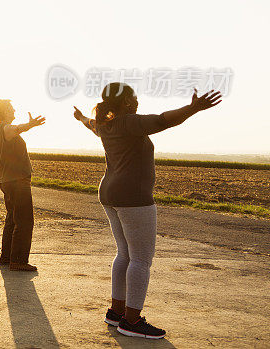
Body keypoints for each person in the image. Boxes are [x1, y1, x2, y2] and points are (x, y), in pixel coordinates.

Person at [74, 82, 221, 339]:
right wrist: (193, 108)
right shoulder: (129, 122)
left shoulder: (104, 124)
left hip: (109, 193)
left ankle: (116, 312)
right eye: (134, 97)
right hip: (133, 197)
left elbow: (90, 124)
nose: (138, 101)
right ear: (127, 102)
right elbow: (164, 120)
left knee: (124, 254)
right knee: (140, 259)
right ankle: (131, 321)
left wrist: (80, 118)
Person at [0, 100, 45, 271]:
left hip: (7, 181)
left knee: (12, 219)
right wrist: (30, 124)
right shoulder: (6, 129)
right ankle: (19, 261)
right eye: (11, 108)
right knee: (25, 221)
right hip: (18, 181)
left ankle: (7, 258)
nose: (14, 110)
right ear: (5, 111)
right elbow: (16, 128)